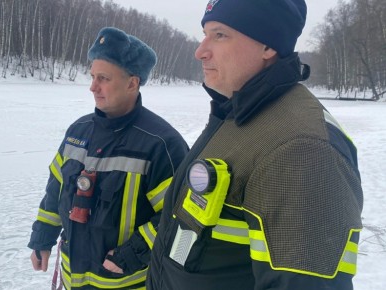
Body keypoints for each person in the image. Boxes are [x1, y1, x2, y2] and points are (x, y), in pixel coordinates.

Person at [146, 0, 363, 289]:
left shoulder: (301, 149)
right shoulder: (239, 117)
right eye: (205, 33)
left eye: (220, 35)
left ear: (268, 45)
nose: (201, 51)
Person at [28, 27, 188, 289]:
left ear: (132, 83)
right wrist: (42, 238)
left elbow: (179, 216)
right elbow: (55, 190)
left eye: (103, 78)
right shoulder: (77, 132)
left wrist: (132, 254)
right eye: (92, 76)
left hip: (124, 281)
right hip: (72, 279)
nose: (92, 86)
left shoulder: (161, 144)